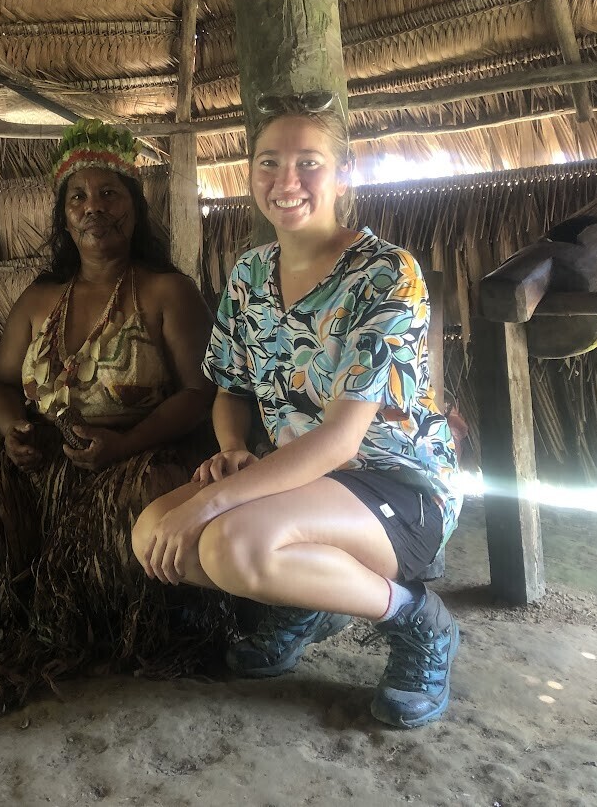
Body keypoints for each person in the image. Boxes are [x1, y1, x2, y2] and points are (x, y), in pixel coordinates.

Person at [131, 92, 462, 729]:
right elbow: (230, 389)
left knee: (232, 543)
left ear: (344, 173)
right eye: (269, 162)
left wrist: (209, 500)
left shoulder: (384, 274)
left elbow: (341, 441)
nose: (286, 181)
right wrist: (232, 448)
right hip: (298, 480)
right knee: (152, 533)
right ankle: (306, 598)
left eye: (309, 163)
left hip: (396, 487)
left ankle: (418, 621)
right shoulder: (250, 275)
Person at [0, 119, 229, 708]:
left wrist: (124, 445)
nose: (93, 208)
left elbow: (198, 393)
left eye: (109, 193)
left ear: (135, 207)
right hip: (46, 456)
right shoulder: (39, 298)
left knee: (135, 530)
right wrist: (12, 431)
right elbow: (0, 382)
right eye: (77, 197)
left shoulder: (167, 291)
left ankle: (119, 624)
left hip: (141, 456)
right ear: (63, 217)